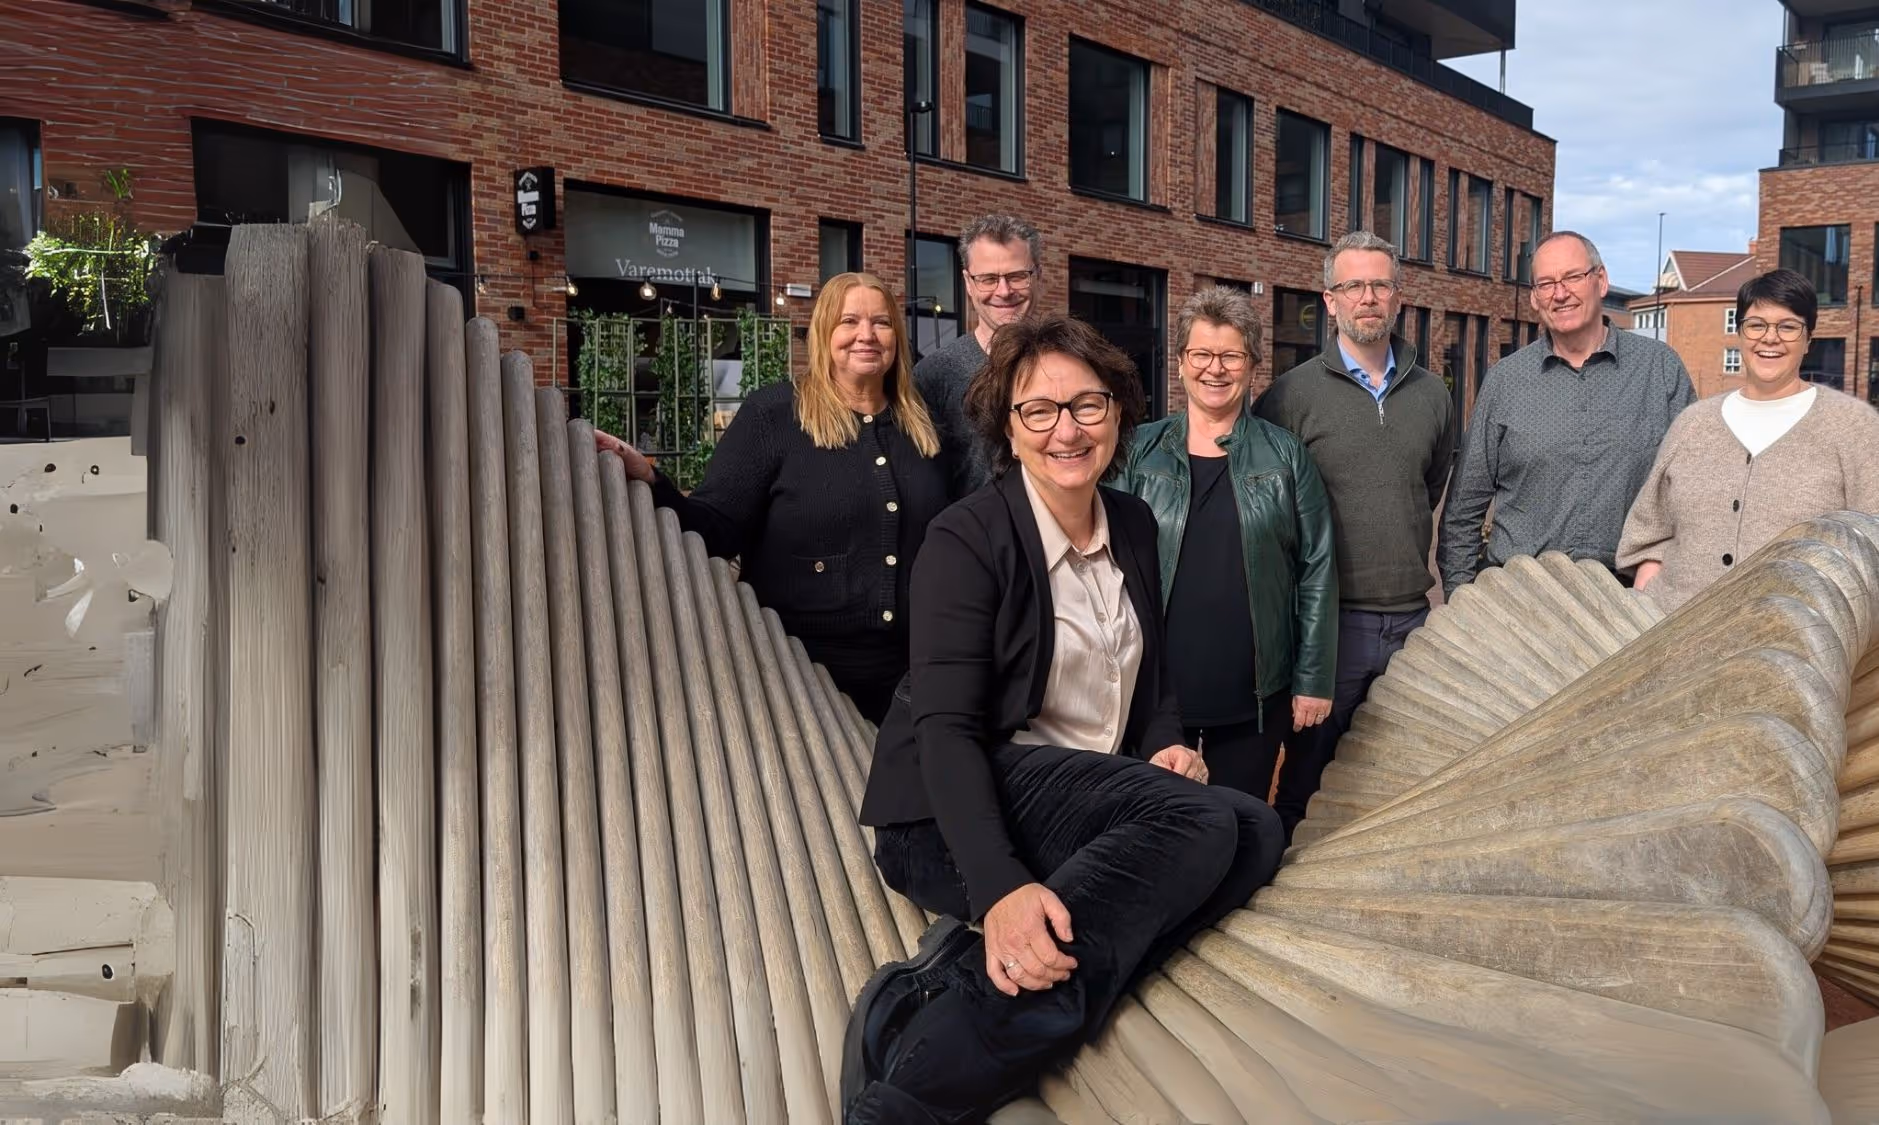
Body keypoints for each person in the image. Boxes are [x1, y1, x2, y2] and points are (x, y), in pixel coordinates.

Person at [846, 314, 1284, 1124]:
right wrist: (1002, 886)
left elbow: (1152, 677)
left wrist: (1163, 746)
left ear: (1118, 413)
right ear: (1006, 429)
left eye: (1087, 405)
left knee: (1254, 829)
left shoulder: (1134, 524)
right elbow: (945, 729)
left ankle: (999, 981)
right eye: (1038, 411)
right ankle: (911, 1083)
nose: (1066, 429)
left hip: (1083, 798)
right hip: (949, 814)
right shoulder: (966, 538)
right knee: (1195, 827)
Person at [595, 271, 948, 724]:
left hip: (912, 677)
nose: (867, 335)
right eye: (849, 321)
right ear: (823, 333)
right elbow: (717, 528)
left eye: (881, 323)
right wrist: (651, 478)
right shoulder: (775, 415)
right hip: (800, 677)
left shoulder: (924, 426)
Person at [1254, 233, 1455, 834]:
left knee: (1401, 776)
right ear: (1330, 300)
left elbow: (1434, 481)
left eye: (1380, 285)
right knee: (1306, 779)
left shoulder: (1432, 394)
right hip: (1330, 626)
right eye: (1353, 286)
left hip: (1414, 623)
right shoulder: (1290, 397)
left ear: (1398, 296)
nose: (1368, 297)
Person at [1114, 284, 1338, 810]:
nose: (1215, 369)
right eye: (1201, 354)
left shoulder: (1285, 456)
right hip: (1155, 693)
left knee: (1239, 824)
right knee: (1157, 824)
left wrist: (1313, 679)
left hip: (1253, 696)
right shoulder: (1139, 451)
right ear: (1180, 363)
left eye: (1231, 355)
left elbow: (1317, 568)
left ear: (1252, 364)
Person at [1437, 230, 1695, 597]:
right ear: (1534, 298)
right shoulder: (1505, 381)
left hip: (1627, 602)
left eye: (1573, 277)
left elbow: (1690, 493)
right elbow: (1464, 507)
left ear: (1601, 281)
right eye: (1546, 283)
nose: (1560, 293)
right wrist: (1460, 603)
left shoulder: (1660, 371)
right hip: (1520, 600)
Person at [1617, 268, 1879, 612]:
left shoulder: (1853, 427)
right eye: (1756, 325)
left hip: (1793, 643)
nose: (1770, 338)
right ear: (1740, 332)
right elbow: (1649, 531)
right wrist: (1650, 596)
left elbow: (1872, 544)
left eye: (1787, 326)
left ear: (1808, 338)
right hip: (1675, 637)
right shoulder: (1694, 424)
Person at [914, 213, 1042, 496]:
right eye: (988, 279)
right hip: (974, 537)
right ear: (968, 283)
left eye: (1017, 276)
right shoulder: (935, 375)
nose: (1004, 291)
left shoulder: (1065, 364)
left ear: (1037, 275)